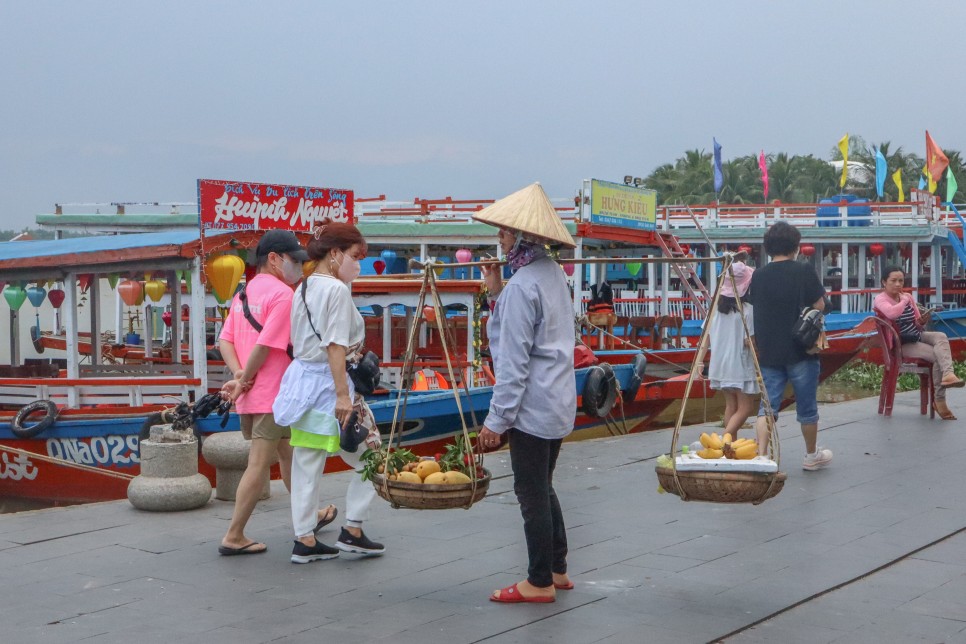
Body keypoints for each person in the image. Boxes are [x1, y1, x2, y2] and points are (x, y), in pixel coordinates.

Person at [473, 183, 577, 604]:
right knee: (543, 485)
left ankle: (539, 580)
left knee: (530, 492)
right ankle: (558, 567)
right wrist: (498, 290)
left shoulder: (523, 287)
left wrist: (495, 422)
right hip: (557, 400)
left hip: (533, 405)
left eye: (504, 232)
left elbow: (513, 364)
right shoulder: (550, 275)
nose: (499, 238)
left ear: (522, 238)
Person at [217, 230, 338, 555]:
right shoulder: (284, 296)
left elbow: (225, 340)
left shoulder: (244, 293)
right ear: (274, 259)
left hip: (254, 395)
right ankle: (234, 535)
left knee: (288, 454)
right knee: (259, 464)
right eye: (293, 260)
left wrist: (239, 374)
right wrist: (244, 379)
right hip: (275, 393)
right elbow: (265, 345)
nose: (299, 267)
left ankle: (309, 515)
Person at [273, 220, 384, 564]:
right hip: (329, 385)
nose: (358, 264)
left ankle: (304, 539)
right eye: (354, 256)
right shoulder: (336, 290)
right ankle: (352, 528)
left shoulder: (304, 287)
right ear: (334, 254)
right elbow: (335, 346)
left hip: (302, 383)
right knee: (372, 456)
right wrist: (342, 396)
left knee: (307, 463)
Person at [749, 221, 832, 471]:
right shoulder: (803, 271)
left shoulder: (759, 275)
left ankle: (762, 456)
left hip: (769, 349)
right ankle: (810, 456)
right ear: (795, 246)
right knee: (806, 406)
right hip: (800, 349)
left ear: (768, 247)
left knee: (768, 406)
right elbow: (819, 305)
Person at [873, 265, 964, 420]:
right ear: (884, 282)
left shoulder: (906, 297)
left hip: (916, 335)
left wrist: (922, 320)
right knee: (937, 358)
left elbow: (916, 323)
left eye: (901, 280)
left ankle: (948, 374)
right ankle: (939, 400)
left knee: (941, 336)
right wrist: (904, 301)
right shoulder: (881, 299)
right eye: (893, 280)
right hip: (901, 344)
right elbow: (892, 313)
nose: (898, 284)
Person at [707, 259, 758, 437]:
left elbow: (706, 336)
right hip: (739, 364)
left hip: (720, 364)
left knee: (731, 406)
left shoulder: (715, 310)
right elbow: (748, 341)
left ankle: (731, 445)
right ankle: (724, 440)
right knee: (746, 407)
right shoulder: (748, 311)